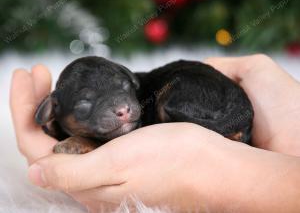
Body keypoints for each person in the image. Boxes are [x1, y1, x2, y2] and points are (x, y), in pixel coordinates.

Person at [10, 54, 300, 212]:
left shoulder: (155, 95)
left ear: (130, 79)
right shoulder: (56, 115)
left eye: (123, 88)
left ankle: (227, 135)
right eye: (86, 103)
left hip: (213, 100)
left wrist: (226, 174)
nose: (122, 108)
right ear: (52, 112)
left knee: (174, 96)